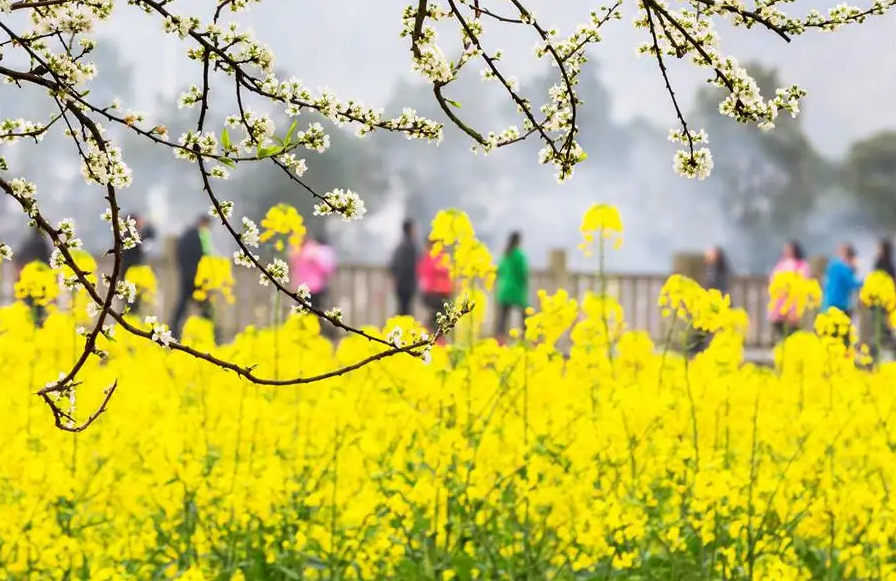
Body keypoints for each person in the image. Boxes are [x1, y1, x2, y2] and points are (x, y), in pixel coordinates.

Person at [171, 215, 216, 339]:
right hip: (197, 277)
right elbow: (205, 256)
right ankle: (211, 333)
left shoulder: (186, 235)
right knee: (205, 305)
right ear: (203, 223)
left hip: (187, 275)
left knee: (183, 305)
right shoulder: (199, 235)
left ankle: (174, 330)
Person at [289, 232, 338, 338]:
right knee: (311, 314)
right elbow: (327, 269)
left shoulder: (308, 250)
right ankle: (311, 334)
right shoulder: (308, 250)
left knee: (308, 314)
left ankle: (311, 335)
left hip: (311, 288)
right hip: (311, 287)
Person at [690, 245, 731, 355]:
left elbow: (717, 287)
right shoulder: (712, 270)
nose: (707, 257)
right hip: (709, 305)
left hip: (713, 306)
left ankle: (697, 353)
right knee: (700, 332)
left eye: (710, 254)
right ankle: (697, 352)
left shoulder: (718, 271)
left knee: (705, 331)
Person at [768, 240, 811, 342]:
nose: (786, 251)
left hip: (794, 300)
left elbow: (803, 279)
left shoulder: (801, 264)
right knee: (779, 326)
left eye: (788, 249)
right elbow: (773, 278)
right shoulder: (781, 264)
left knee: (793, 329)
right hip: (780, 300)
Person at [821, 243, 862, 348]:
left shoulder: (833, 265)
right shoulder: (840, 266)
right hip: (839, 305)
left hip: (829, 303)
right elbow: (853, 284)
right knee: (842, 337)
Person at [494, 231, 529, 343]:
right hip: (516, 289)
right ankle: (527, 338)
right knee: (525, 315)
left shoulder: (505, 254)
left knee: (503, 318)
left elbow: (498, 270)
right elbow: (523, 272)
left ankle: (500, 340)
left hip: (504, 289)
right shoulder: (519, 254)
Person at [15, 228, 53, 326]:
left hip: (28, 283)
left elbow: (19, 262)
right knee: (40, 311)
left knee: (29, 309)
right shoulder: (43, 245)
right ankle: (38, 327)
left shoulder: (27, 243)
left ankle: (32, 328)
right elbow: (50, 264)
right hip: (41, 284)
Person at [121, 214, 157, 313]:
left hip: (129, 273)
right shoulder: (130, 236)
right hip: (133, 274)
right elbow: (148, 236)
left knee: (131, 303)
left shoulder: (124, 235)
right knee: (133, 304)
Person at [417, 241, 453, 337]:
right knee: (441, 317)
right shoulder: (438, 257)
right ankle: (433, 335)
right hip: (437, 293)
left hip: (430, 293)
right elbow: (445, 269)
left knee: (437, 317)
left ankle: (430, 332)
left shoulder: (426, 257)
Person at [870, 238, 895, 357]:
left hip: (883, 298)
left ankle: (883, 347)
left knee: (881, 324)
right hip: (884, 298)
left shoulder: (881, 262)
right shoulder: (889, 263)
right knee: (882, 325)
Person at [389, 219, 419, 317]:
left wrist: (397, 279)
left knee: (402, 309)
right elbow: (410, 266)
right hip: (407, 285)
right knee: (406, 311)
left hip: (401, 285)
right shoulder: (410, 246)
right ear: (410, 229)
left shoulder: (400, 245)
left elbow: (392, 265)